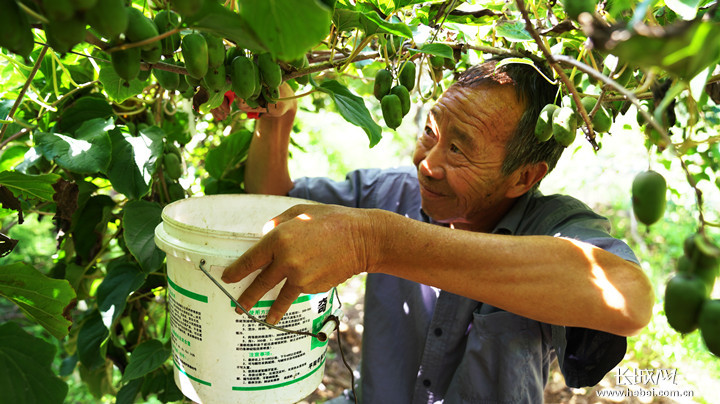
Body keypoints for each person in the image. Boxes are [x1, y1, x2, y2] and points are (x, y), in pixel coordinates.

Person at [221, 58, 654, 403]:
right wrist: (278, 118)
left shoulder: (551, 225)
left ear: (524, 178)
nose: (426, 163)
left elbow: (628, 299)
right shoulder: (390, 193)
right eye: (430, 131)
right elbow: (271, 200)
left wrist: (377, 242)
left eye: (459, 148)